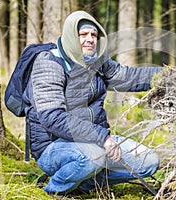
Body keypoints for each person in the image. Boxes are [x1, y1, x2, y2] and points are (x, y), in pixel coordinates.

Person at [23, 10, 162, 195]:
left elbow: (127, 77)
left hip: (94, 140)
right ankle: (52, 191)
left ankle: (82, 184)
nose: (90, 39)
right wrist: (102, 137)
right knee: (92, 158)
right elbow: (52, 117)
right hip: (53, 145)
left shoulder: (96, 60)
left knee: (149, 161)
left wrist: (166, 75)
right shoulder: (49, 63)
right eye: (83, 34)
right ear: (72, 36)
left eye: (94, 35)